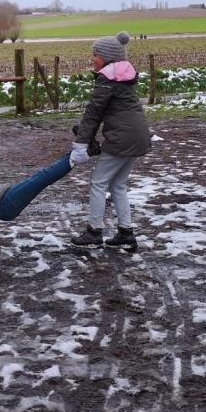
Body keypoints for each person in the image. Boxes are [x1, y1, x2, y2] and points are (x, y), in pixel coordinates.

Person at [70, 31, 151, 249]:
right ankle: (126, 233)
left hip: (122, 138)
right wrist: (87, 136)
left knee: (98, 182)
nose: (92, 59)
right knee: (118, 184)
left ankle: (94, 232)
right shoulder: (122, 76)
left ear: (106, 57)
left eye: (95, 55)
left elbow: (94, 112)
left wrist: (81, 143)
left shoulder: (107, 78)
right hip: (138, 135)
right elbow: (106, 111)